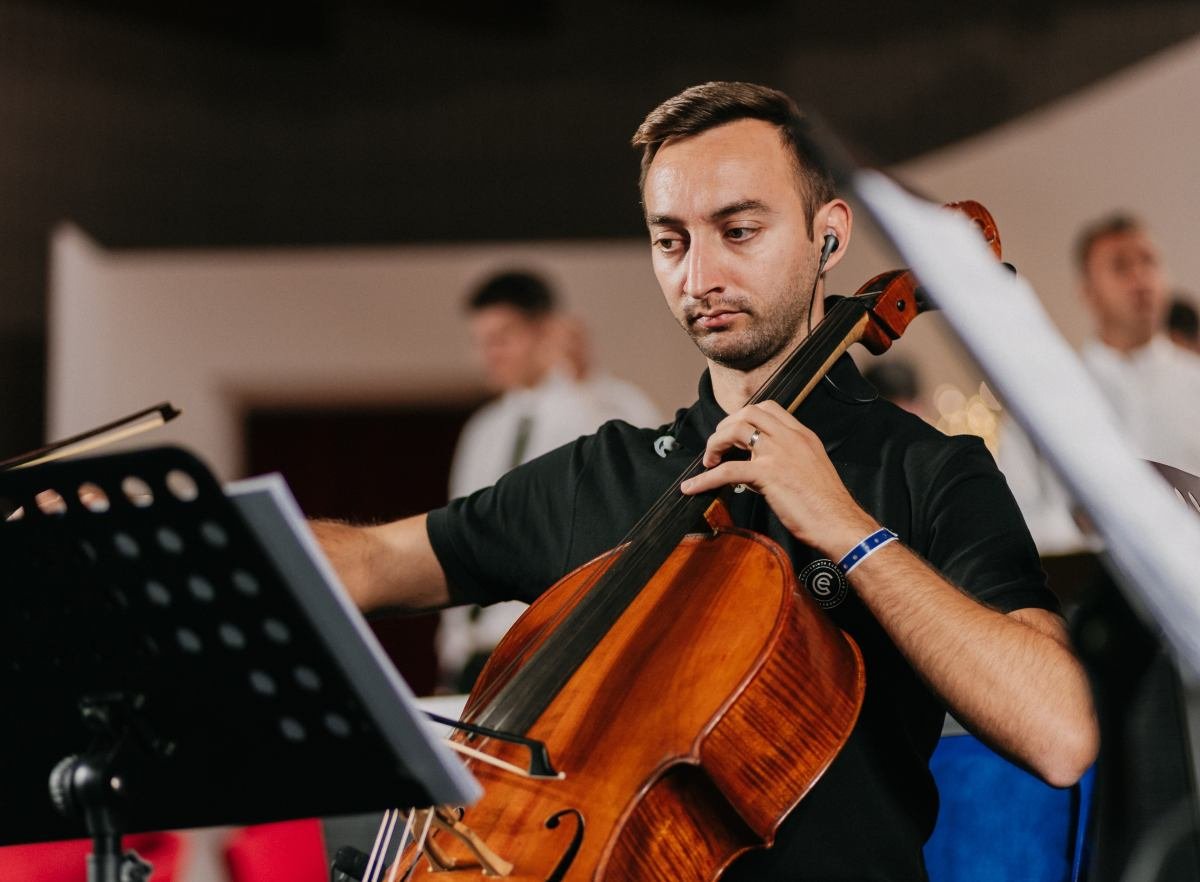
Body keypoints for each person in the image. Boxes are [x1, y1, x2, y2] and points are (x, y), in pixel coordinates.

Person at [314, 82, 1096, 880]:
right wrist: (212, 546)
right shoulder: (603, 473)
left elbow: (1058, 733)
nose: (700, 276)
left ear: (828, 238)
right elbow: (375, 561)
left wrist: (848, 530)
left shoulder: (929, 470)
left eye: (739, 230)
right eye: (671, 241)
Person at [439, 270, 660, 691]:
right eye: (481, 341)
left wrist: (582, 382)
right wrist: (453, 649)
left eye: (503, 337)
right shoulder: (483, 429)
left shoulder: (603, 405)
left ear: (544, 331)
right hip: (478, 650)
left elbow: (634, 488)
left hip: (553, 643)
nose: (490, 354)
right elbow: (461, 532)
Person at [1000, 215, 1200, 553]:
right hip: (1090, 585)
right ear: (1089, 292)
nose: (1140, 278)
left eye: (1149, 262)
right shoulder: (1045, 394)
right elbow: (1017, 515)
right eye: (1120, 267)